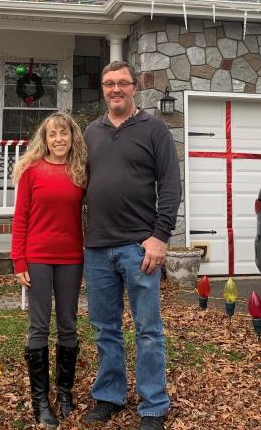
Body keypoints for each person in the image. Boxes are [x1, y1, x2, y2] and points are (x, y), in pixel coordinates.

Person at [81, 60, 181, 430]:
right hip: (96, 247)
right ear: (102, 88)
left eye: (123, 83)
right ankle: (109, 395)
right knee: (105, 327)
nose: (116, 89)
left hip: (139, 248)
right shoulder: (91, 132)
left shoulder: (153, 129)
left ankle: (153, 405)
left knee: (148, 329)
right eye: (109, 83)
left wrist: (160, 237)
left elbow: (170, 186)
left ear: (134, 88)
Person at [11, 111, 88, 428]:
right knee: (39, 327)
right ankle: (41, 401)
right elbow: (20, 218)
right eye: (52, 134)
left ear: (73, 138)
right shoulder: (31, 171)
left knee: (68, 325)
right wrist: (18, 260)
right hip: (38, 257)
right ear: (44, 140)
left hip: (71, 257)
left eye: (64, 134)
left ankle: (65, 392)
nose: (58, 139)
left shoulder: (81, 172)